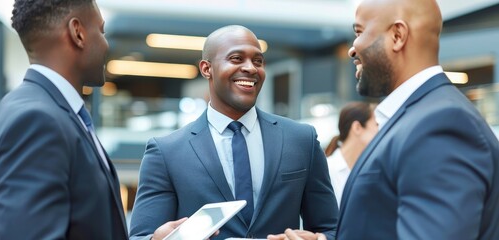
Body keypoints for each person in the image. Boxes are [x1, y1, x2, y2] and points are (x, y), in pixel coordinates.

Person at [129, 25, 338, 240]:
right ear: (206, 69)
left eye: (258, 61)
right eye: (237, 59)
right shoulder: (166, 152)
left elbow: (332, 229)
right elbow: (140, 236)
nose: (251, 68)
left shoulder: (301, 140)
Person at [336, 0, 499, 239]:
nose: (352, 49)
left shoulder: (441, 124)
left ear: (397, 36)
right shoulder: (420, 116)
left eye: (359, 32)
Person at [0, 0, 128, 239]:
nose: (106, 44)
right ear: (77, 33)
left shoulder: (43, 111)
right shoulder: (36, 121)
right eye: (101, 31)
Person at [324, 102, 377, 207]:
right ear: (357, 127)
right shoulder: (326, 171)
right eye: (376, 125)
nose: (380, 131)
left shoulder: (371, 169)